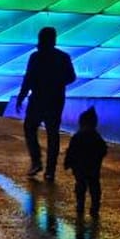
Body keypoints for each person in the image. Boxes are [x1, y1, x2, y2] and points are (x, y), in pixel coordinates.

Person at [16, 26, 77, 182]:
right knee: (52, 134)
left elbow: (28, 78)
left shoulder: (35, 57)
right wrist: (57, 83)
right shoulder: (63, 57)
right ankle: (50, 170)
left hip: (37, 99)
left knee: (30, 128)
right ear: (54, 39)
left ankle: (36, 161)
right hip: (55, 100)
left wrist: (21, 96)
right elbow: (72, 77)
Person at [64, 106, 108, 216]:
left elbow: (71, 151)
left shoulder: (77, 136)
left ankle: (80, 205)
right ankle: (95, 206)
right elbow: (103, 149)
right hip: (93, 167)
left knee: (80, 186)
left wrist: (68, 162)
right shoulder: (96, 137)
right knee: (94, 187)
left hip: (80, 168)